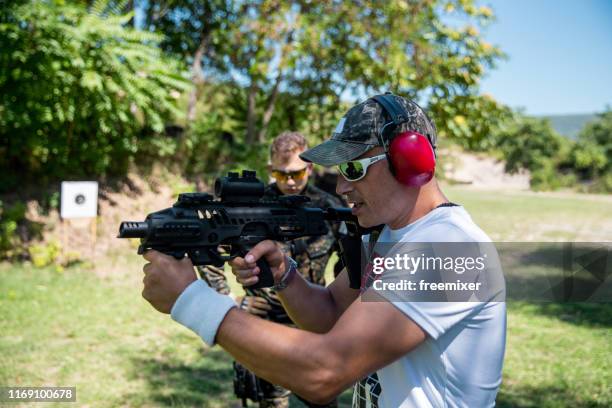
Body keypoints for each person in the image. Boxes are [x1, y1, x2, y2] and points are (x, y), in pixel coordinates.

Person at [141, 94, 507, 407]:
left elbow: (325, 370)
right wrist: (285, 275)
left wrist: (191, 301)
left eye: (353, 168)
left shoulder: (446, 248)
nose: (342, 186)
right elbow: (329, 314)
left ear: (411, 161)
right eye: (337, 171)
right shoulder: (384, 238)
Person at [198, 131, 344, 408]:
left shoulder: (329, 208)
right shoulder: (249, 207)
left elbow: (346, 263)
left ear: (310, 168)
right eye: (280, 174)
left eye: (297, 174)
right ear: (270, 170)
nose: (289, 182)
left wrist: (339, 308)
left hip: (313, 325)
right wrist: (226, 299)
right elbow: (209, 248)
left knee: (323, 400)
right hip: (264, 324)